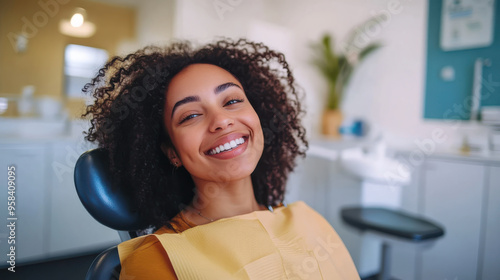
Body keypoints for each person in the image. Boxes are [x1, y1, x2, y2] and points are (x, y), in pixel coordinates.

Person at [83, 38, 359, 279]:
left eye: (232, 101)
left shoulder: (309, 220)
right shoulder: (157, 261)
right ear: (172, 152)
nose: (221, 121)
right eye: (190, 115)